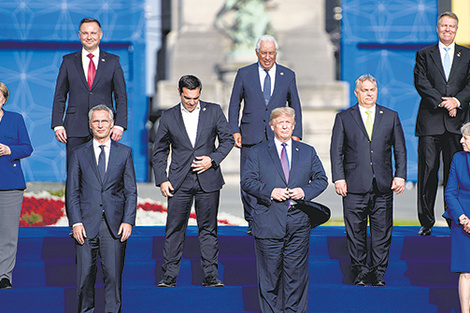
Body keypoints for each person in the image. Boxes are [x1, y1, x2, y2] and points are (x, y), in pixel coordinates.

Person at [241, 107, 327, 312]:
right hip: (268, 221)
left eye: (288, 122)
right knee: (269, 277)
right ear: (272, 126)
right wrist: (271, 192)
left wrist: (303, 191)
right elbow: (247, 181)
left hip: (298, 221)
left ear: (294, 125)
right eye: (280, 122)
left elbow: (321, 180)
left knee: (295, 277)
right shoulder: (258, 151)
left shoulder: (307, 151)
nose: (285, 125)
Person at [152, 75, 234, 288]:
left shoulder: (213, 111)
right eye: (188, 97)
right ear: (180, 93)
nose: (191, 101)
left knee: (208, 228)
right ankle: (169, 276)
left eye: (196, 97)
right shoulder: (168, 116)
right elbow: (159, 150)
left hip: (208, 179)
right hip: (178, 181)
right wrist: (162, 179)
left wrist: (212, 159)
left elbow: (228, 139)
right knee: (174, 228)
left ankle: (210, 276)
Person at [330, 74, 407, 287]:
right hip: (354, 184)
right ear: (357, 93)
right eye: (365, 90)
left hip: (382, 184)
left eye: (372, 89)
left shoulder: (390, 116)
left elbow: (399, 148)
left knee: (382, 231)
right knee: (355, 231)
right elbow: (336, 151)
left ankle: (378, 273)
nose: (369, 93)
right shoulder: (344, 117)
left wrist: (400, 175)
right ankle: (361, 272)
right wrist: (339, 178)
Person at [228, 34, 303, 232]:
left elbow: (295, 105)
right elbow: (234, 103)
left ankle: (274, 219)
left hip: (278, 137)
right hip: (250, 135)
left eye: (271, 53)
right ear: (256, 53)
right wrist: (234, 130)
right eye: (264, 53)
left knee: (275, 178)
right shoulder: (245, 74)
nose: (267, 57)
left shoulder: (287, 75)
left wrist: (297, 134)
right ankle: (252, 220)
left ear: (276, 53)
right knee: (249, 179)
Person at [66, 105, 137, 313]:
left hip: (114, 226)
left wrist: (128, 220)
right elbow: (72, 191)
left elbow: (130, 190)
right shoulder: (78, 153)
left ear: (112, 123)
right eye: (96, 121)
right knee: (84, 278)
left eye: (104, 121)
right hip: (86, 225)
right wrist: (76, 222)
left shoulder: (125, 153)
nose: (100, 125)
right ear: (90, 125)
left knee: (113, 279)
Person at [414, 11, 470, 236]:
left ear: (456, 29)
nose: (447, 29)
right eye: (444, 26)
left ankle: (452, 219)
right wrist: (442, 102)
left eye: (451, 26)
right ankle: (426, 221)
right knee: (428, 172)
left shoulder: (467, 55)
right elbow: (421, 82)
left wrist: (457, 101)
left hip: (456, 124)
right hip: (430, 122)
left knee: (453, 174)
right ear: (438, 28)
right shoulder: (424, 54)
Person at [52, 17, 127, 167]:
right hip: (75, 126)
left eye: (93, 33)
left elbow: (121, 96)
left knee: (102, 170)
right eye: (85, 33)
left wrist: (119, 124)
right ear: (79, 35)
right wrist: (57, 124)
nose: (89, 37)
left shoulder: (113, 61)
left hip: (104, 127)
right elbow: (60, 95)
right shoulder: (68, 61)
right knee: (74, 171)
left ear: (100, 35)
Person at [0, 82, 33, 289]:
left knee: (8, 233)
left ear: (4, 99)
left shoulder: (15, 119)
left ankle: (4, 276)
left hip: (10, 184)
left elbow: (27, 147)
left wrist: (9, 149)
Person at [444, 122, 470, 313]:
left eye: (466, 138)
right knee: (466, 272)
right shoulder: (458, 158)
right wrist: (463, 218)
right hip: (462, 220)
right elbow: (450, 193)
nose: (461, 141)